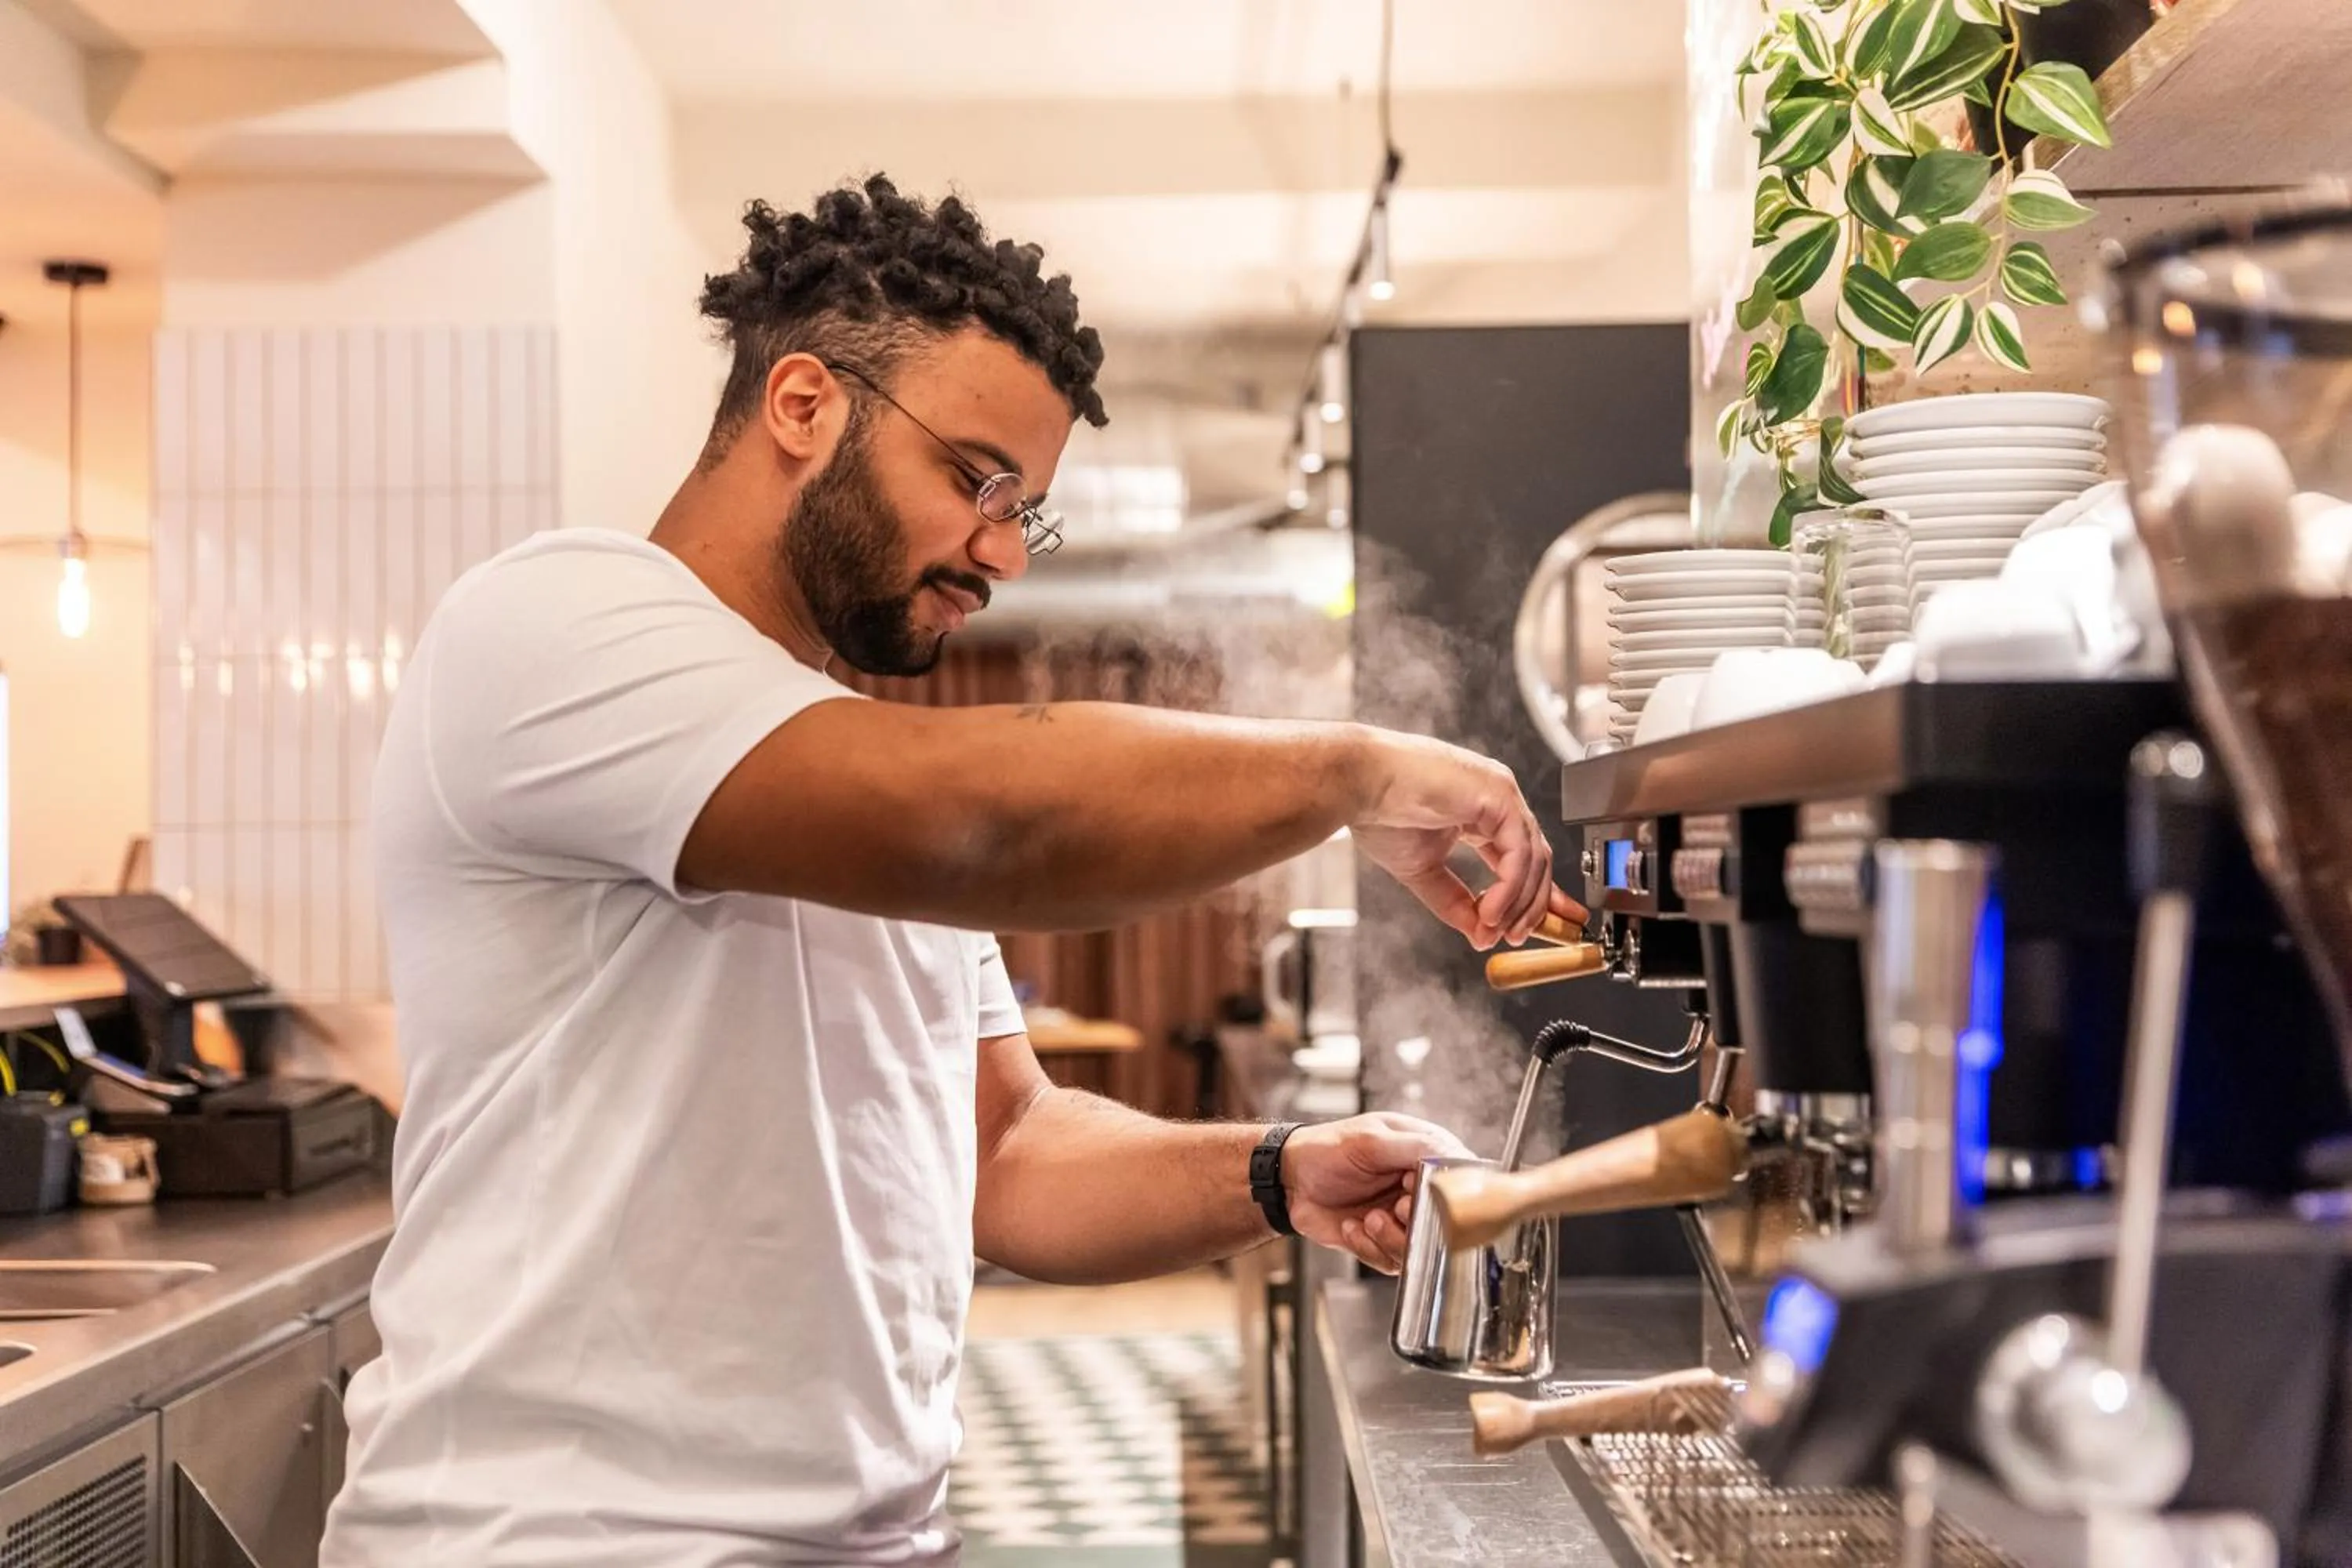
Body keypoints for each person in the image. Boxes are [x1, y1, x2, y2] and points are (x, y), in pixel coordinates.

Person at [322, 174, 1581, 1568]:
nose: (1000, 553)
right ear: (804, 405)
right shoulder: (555, 622)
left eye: (1024, 509)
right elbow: (985, 828)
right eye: (978, 483)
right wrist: (1350, 772)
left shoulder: (839, 757)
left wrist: (1282, 1174)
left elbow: (1002, 1152)